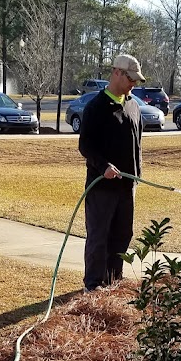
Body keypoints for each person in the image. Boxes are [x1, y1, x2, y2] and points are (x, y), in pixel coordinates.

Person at [78, 53, 145, 291]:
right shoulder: (96, 107)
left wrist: (138, 171)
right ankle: (94, 284)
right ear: (116, 72)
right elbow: (85, 145)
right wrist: (103, 166)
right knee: (99, 235)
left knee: (122, 235)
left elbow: (137, 143)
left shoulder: (134, 106)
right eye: (130, 78)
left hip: (127, 186)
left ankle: (113, 280)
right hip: (102, 187)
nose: (133, 83)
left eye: (136, 80)